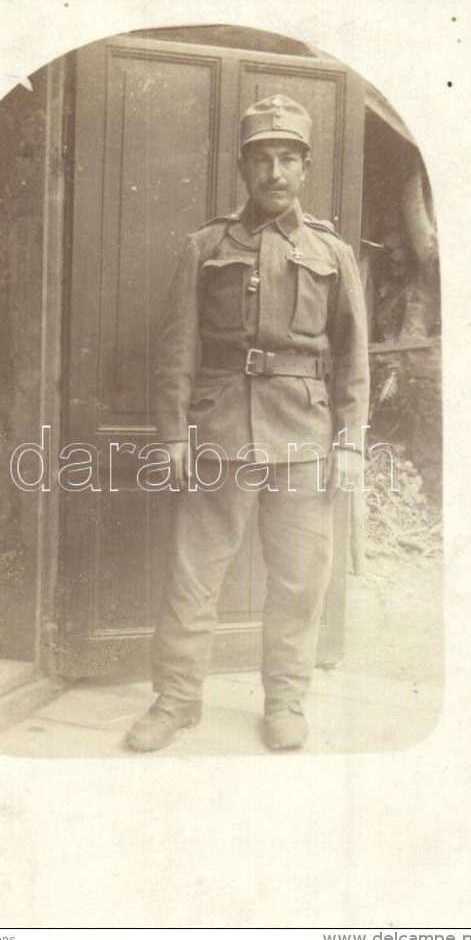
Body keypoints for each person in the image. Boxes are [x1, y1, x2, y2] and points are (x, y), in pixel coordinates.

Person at [126, 95, 369, 752]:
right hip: (220, 431)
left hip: (305, 437)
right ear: (242, 166)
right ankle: (175, 701)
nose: (275, 171)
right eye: (262, 158)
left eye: (288, 157)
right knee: (192, 576)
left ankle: (286, 701)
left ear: (305, 166)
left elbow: (353, 356)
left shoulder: (331, 251)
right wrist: (174, 434)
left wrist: (350, 440)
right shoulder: (205, 246)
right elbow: (178, 349)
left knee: (298, 582)